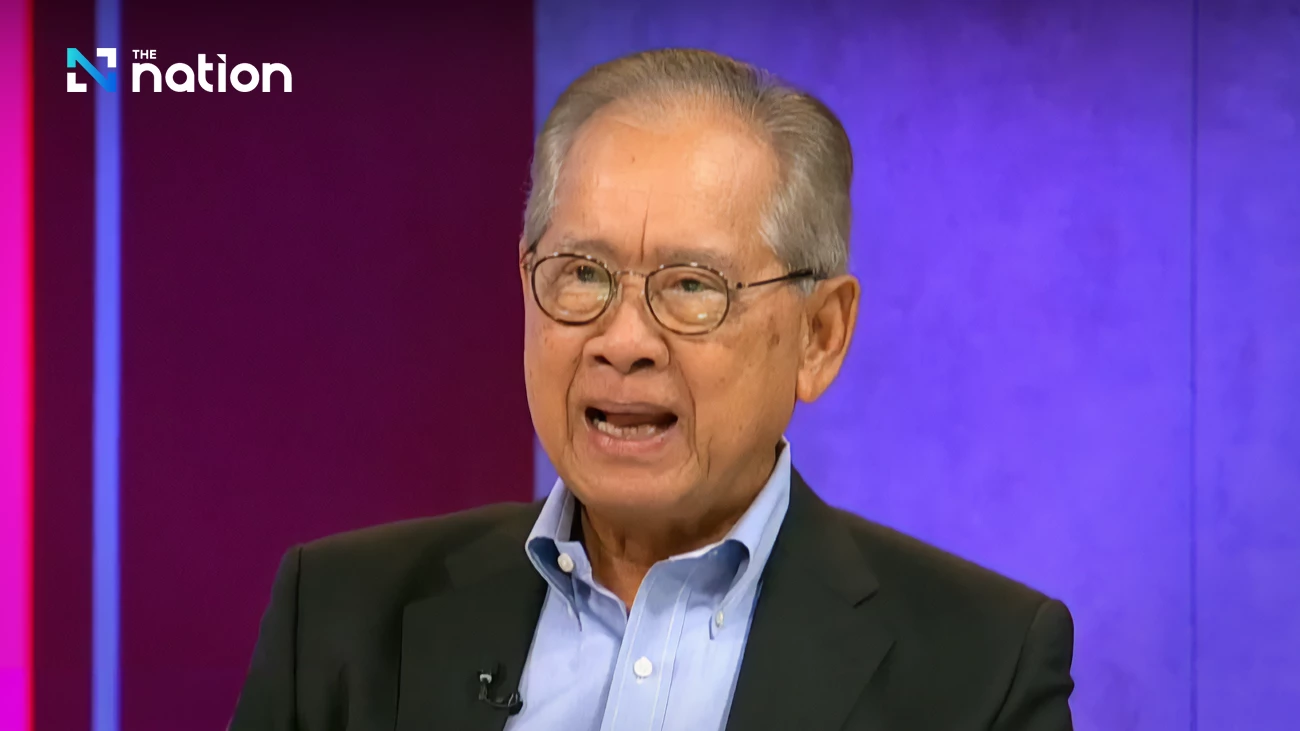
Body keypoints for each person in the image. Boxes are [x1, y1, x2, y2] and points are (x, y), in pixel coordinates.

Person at [230, 48, 1075, 731]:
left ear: (820, 335)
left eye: (693, 286)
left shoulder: (981, 668)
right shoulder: (338, 617)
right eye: (581, 273)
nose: (624, 341)